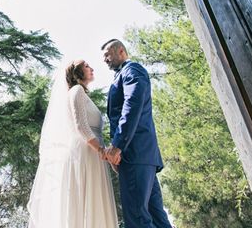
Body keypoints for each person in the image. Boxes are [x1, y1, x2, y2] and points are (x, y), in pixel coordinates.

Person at [27, 60, 118, 227]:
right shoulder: (76, 91)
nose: (91, 68)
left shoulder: (83, 94)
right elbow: (81, 127)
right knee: (84, 202)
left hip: (93, 153)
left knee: (93, 202)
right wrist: (101, 150)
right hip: (85, 153)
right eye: (87, 66)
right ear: (77, 74)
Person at [102, 38, 172, 228]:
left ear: (121, 51)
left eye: (108, 54)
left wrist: (118, 145)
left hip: (134, 153)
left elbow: (132, 105)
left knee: (137, 219)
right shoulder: (122, 74)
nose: (105, 59)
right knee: (157, 217)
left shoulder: (132, 70)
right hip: (143, 156)